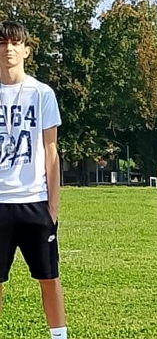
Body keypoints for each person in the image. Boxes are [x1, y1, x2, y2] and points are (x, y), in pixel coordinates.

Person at [0, 21, 67, 339]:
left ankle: (59, 335)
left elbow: (51, 151)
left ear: (26, 50)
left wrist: (52, 206)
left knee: (48, 276)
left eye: (15, 43)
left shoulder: (41, 94)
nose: (8, 49)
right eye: (2, 43)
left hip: (34, 201)